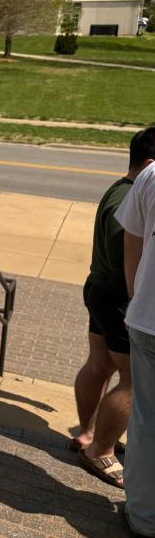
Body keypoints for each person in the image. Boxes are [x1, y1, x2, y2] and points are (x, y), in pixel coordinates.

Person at [71, 127, 155, 489]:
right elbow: (134, 262)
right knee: (134, 381)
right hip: (120, 298)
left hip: (99, 288)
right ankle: (100, 450)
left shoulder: (117, 189)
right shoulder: (132, 197)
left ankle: (88, 433)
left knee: (99, 363)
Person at [116, 146, 155, 538]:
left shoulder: (150, 176)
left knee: (146, 420)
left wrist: (135, 297)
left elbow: (133, 245)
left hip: (148, 319)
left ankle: (144, 517)